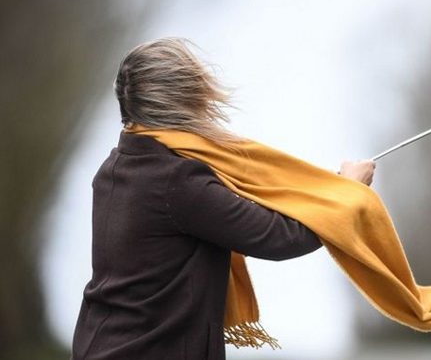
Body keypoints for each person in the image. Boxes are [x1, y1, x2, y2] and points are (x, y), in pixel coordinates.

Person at [70, 37, 375, 359]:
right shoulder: (176, 181)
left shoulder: (115, 167)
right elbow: (280, 238)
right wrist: (349, 192)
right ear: (186, 99)